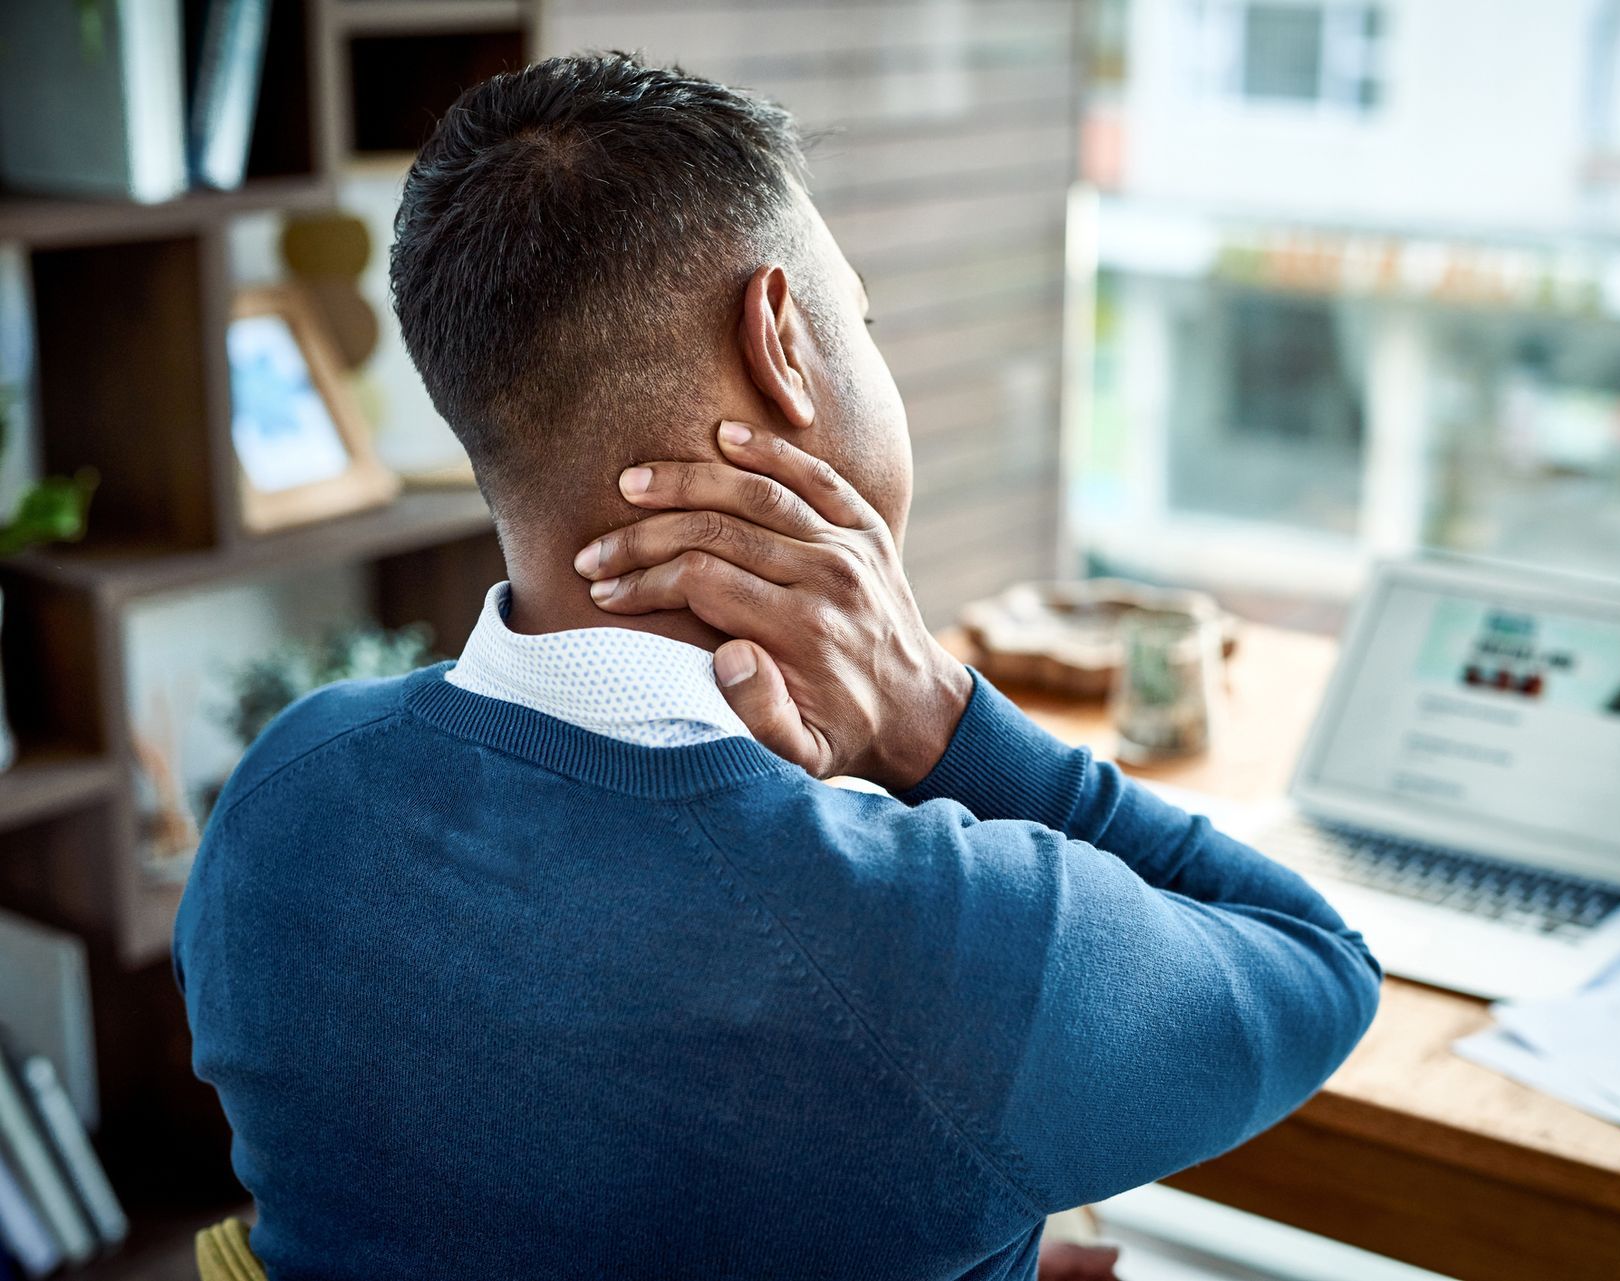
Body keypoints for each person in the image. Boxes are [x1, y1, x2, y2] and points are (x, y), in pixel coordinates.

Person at [173, 53, 1380, 1281]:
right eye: (859, 319)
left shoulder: (283, 797)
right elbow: (1315, 961)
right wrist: (932, 720)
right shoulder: (953, 946)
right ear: (783, 341)